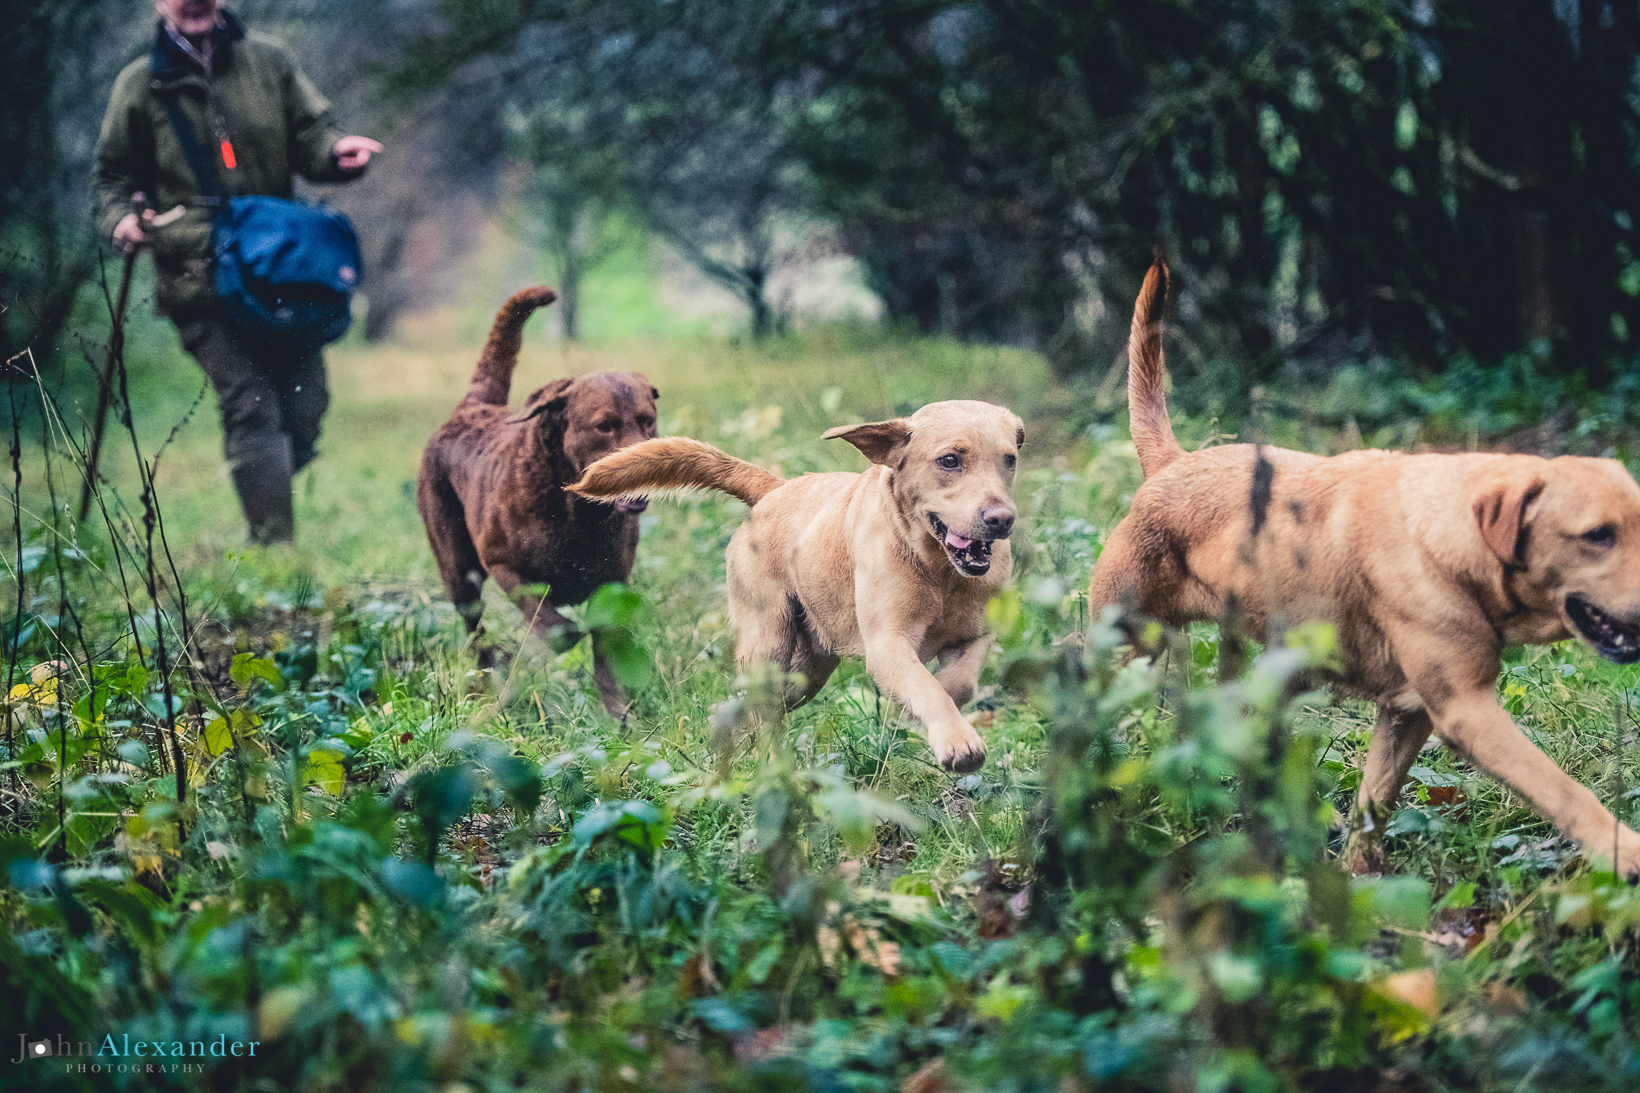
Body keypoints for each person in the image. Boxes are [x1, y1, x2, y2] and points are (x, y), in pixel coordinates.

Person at [94, 0, 382, 543]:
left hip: (277, 271)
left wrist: (336, 152)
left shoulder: (270, 61)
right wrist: (120, 221)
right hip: (196, 276)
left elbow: (312, 136)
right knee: (251, 406)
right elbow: (111, 178)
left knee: (305, 408)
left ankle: (259, 482)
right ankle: (275, 549)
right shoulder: (139, 85)